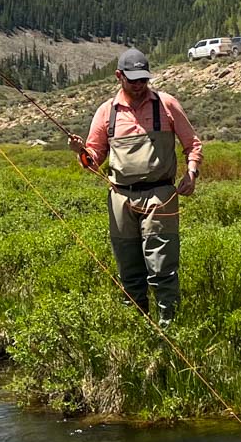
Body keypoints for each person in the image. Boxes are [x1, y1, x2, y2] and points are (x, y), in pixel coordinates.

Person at [69, 48, 202, 324]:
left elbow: (192, 144)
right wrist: (80, 152)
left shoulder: (167, 104)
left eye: (144, 79)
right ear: (119, 76)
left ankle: (170, 328)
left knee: (162, 267)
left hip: (161, 196)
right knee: (129, 269)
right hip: (120, 198)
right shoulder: (107, 112)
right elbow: (93, 160)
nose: (140, 85)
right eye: (133, 80)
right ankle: (138, 328)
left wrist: (191, 173)